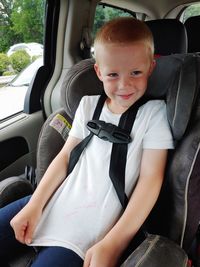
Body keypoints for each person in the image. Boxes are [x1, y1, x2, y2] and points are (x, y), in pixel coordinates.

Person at [0, 17, 174, 267]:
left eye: (136, 72)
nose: (124, 85)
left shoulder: (154, 114)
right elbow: (64, 157)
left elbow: (150, 180)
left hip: (91, 225)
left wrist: (114, 242)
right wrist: (35, 204)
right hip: (54, 199)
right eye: (113, 74)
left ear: (150, 67)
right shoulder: (88, 105)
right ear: (98, 72)